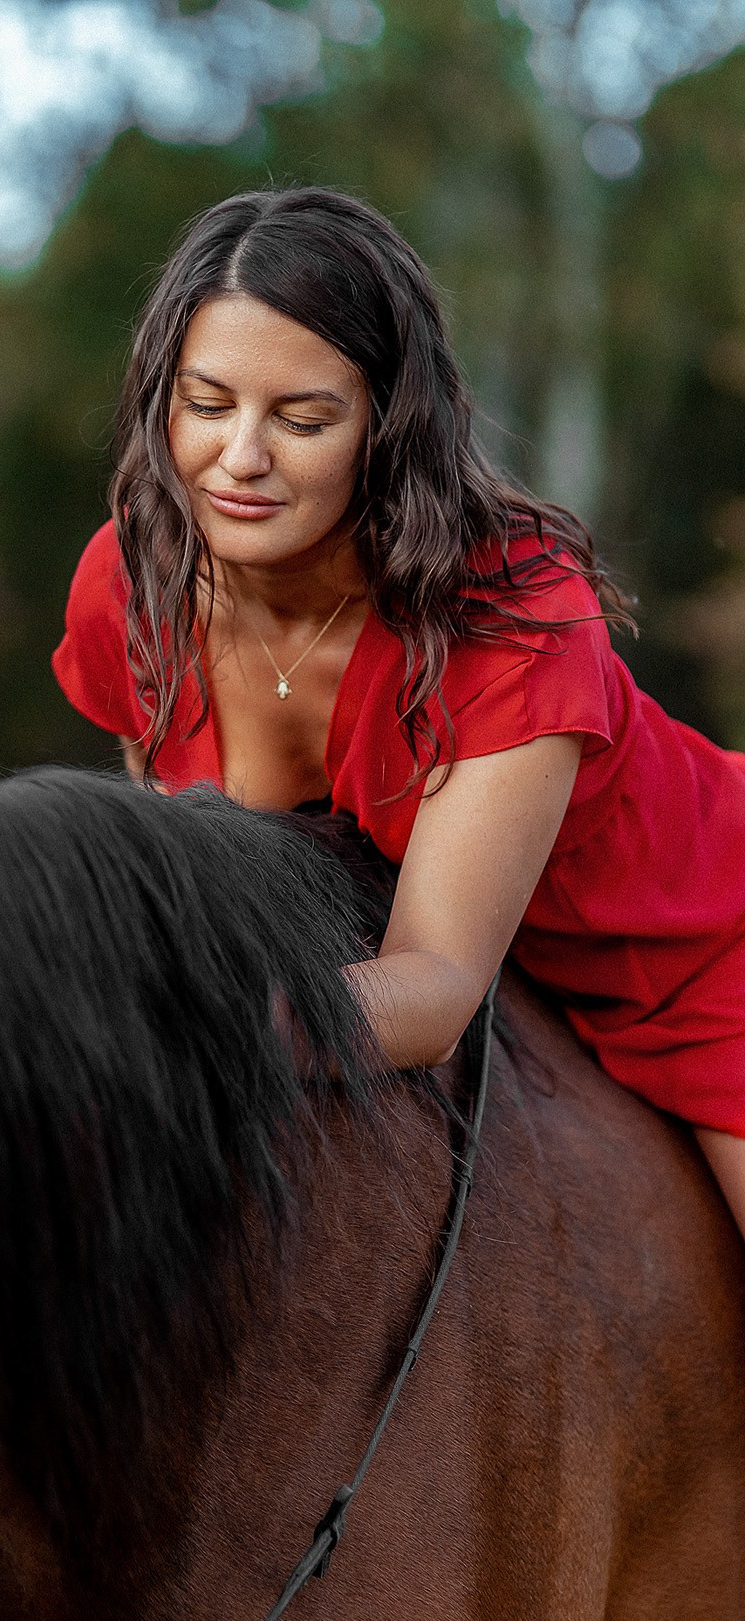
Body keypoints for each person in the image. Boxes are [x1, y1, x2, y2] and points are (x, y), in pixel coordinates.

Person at [52, 187, 745, 1237]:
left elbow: (432, 988)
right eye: (206, 405)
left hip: (702, 951)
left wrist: (178, 1040)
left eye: (302, 420)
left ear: (388, 424)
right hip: (521, 993)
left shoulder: (512, 608)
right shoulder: (130, 585)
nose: (240, 458)